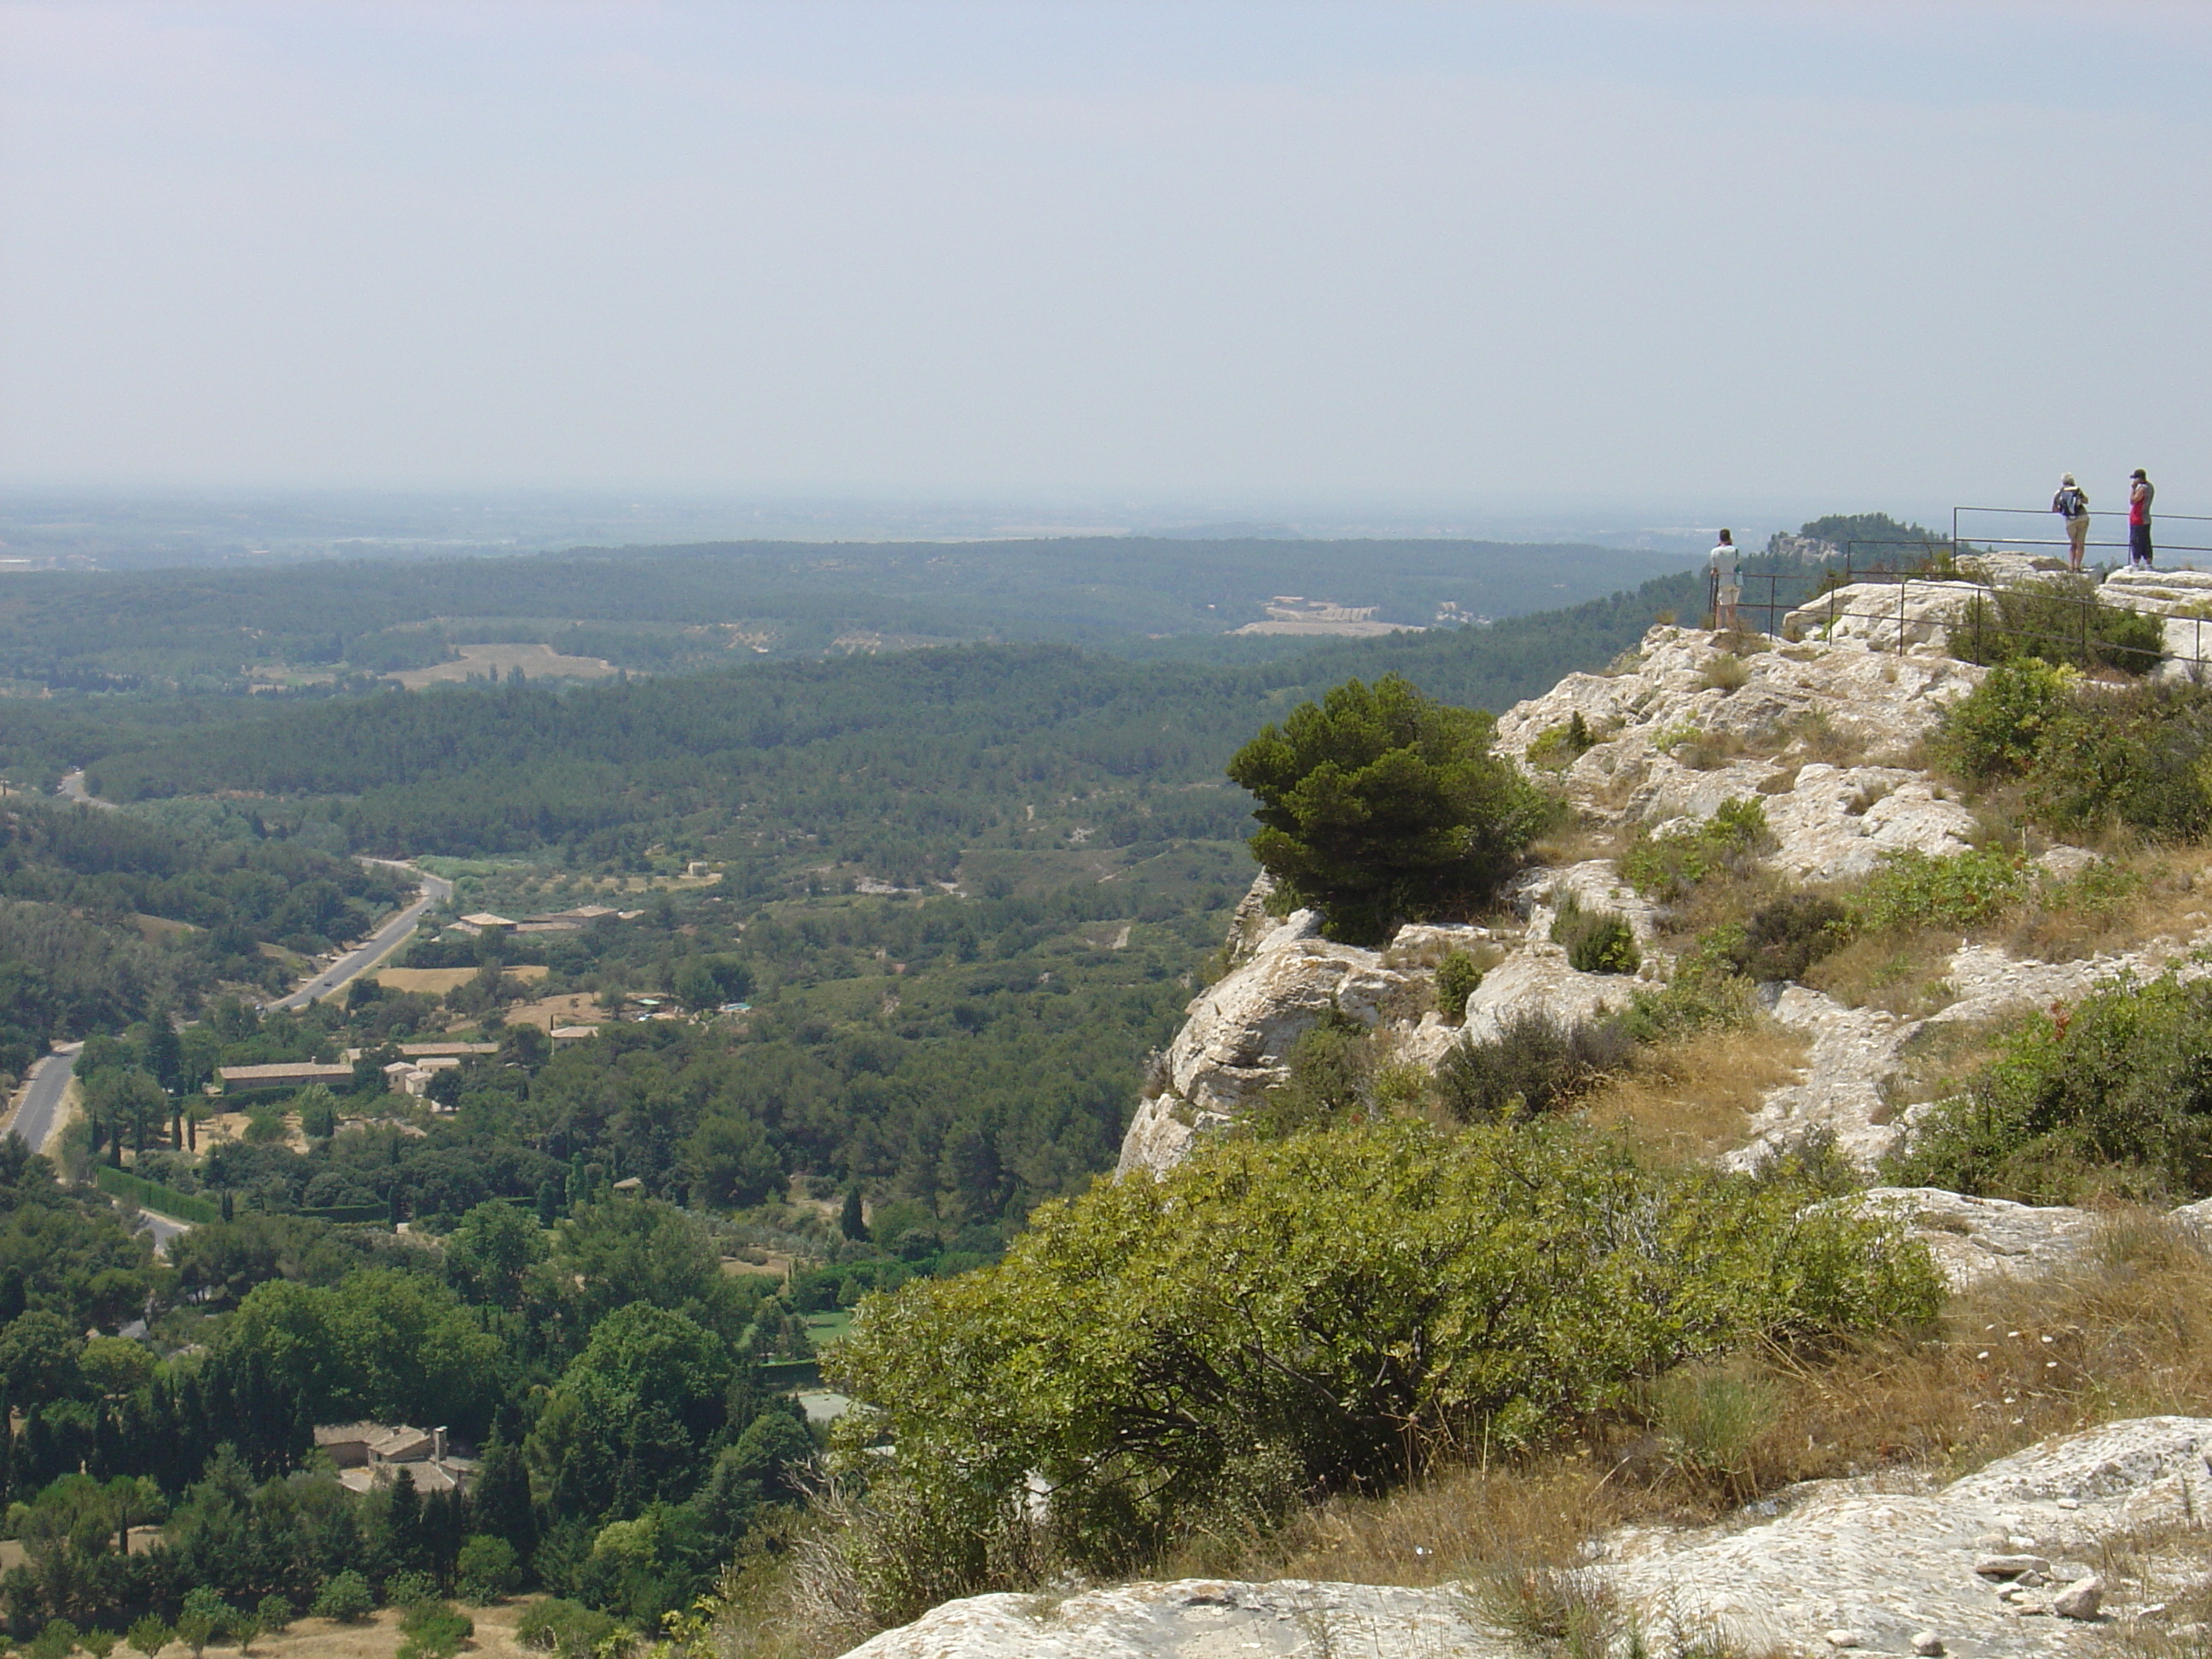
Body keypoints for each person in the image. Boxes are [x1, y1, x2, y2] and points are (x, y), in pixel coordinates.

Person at [2051, 474, 2090, 571]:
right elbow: (2086, 501)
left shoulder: (2059, 493)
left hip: (2070, 520)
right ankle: (2078, 566)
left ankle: (2071, 565)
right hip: (2083, 517)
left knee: (2073, 543)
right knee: (2081, 544)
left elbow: (2054, 509)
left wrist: (2064, 510)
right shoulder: (2077, 490)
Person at [1708, 529, 1741, 633]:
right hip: (1736, 581)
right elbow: (1736, 563)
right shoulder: (1735, 550)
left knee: (1719, 606)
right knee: (1732, 608)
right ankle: (1733, 629)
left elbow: (1714, 570)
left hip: (1723, 582)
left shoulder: (1715, 552)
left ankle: (1718, 629)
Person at [2128, 469, 2155, 568]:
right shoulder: (2150, 487)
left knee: (2136, 541)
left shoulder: (2142, 489)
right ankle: (2149, 564)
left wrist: (2133, 489)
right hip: (2145, 518)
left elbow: (2133, 500)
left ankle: (2136, 563)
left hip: (2138, 518)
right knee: (2146, 541)